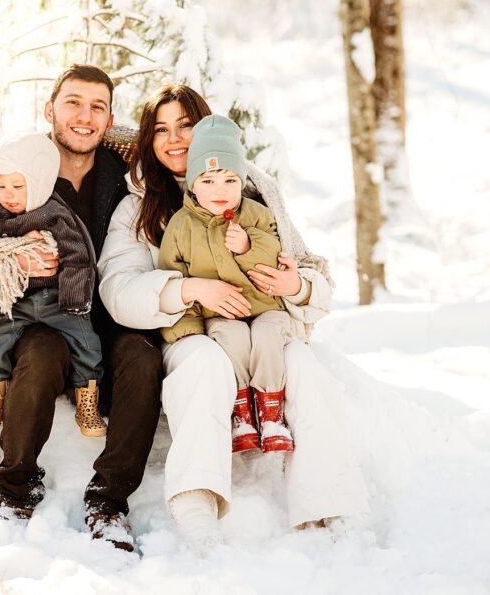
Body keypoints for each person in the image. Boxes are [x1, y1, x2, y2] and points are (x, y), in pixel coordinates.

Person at [98, 83, 369, 551]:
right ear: (149, 139)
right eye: (161, 129)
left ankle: (328, 505)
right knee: (204, 365)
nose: (174, 138)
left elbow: (311, 274)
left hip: (261, 324)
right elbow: (117, 289)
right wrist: (188, 288)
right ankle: (195, 503)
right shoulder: (137, 207)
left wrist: (297, 286)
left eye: (185, 125)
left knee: (303, 367)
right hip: (190, 331)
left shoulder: (256, 192)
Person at [0, 65, 164, 554]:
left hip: (107, 320)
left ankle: (108, 502)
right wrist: (9, 255)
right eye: (73, 103)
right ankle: (17, 490)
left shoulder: (128, 174)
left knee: (142, 355)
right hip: (43, 318)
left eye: (97, 107)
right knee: (40, 353)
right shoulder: (20, 169)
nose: (84, 117)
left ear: (109, 121)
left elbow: (195, 166)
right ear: (50, 110)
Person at [157, 114, 294, 454]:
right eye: (208, 181)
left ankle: (272, 412)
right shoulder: (181, 225)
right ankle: (242, 413)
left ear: (242, 181)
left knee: (266, 337)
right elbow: (172, 275)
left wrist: (249, 247)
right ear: (192, 184)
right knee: (229, 340)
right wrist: (185, 329)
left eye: (230, 180)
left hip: (265, 307)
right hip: (221, 315)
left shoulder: (257, 214)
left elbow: (276, 253)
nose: (220, 191)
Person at [0, 132, 107, 438]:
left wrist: (75, 299)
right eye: (1, 186)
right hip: (16, 301)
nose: (8, 194)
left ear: (38, 182)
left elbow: (79, 254)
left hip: (57, 299)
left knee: (87, 343)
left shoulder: (54, 212)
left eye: (17, 186)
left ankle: (87, 403)